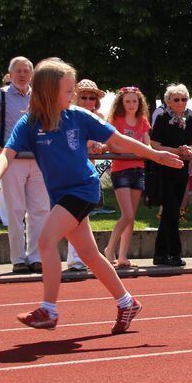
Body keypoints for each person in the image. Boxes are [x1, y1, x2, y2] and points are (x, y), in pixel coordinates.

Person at [0, 57, 182, 332]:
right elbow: (7, 153)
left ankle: (49, 310)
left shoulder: (79, 116)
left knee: (46, 240)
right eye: (68, 91)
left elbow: (119, 140)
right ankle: (127, 302)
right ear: (48, 92)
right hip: (61, 195)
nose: (73, 95)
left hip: (83, 189)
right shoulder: (29, 122)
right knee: (89, 254)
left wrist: (155, 155)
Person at [0, 56, 50, 274]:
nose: (22, 74)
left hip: (38, 159)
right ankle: (18, 258)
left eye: (26, 71)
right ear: (10, 74)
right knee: (15, 210)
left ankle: (36, 257)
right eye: (18, 71)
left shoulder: (38, 95)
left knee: (40, 210)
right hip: (12, 160)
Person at [149, 84, 192, 266]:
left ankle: (160, 254)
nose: (180, 102)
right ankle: (174, 252)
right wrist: (176, 151)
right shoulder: (162, 118)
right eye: (176, 99)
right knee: (171, 210)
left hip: (181, 170)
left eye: (184, 99)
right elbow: (154, 144)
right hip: (163, 170)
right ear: (168, 101)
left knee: (171, 212)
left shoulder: (190, 119)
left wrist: (189, 150)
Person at [103, 86, 151, 269]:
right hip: (121, 170)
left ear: (140, 103)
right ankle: (109, 249)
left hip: (138, 170)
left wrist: (135, 150)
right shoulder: (117, 120)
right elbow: (113, 146)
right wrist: (136, 150)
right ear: (121, 103)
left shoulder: (143, 121)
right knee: (127, 214)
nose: (132, 104)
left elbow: (147, 146)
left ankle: (122, 256)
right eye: (128, 101)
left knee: (131, 217)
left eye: (135, 101)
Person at [64, 79, 107, 273]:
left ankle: (79, 258)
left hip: (89, 173)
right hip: (69, 170)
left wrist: (101, 146)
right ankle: (76, 258)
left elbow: (110, 140)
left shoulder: (99, 117)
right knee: (72, 216)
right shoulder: (67, 115)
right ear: (76, 98)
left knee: (82, 216)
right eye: (84, 97)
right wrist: (90, 144)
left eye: (92, 98)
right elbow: (70, 141)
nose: (88, 101)